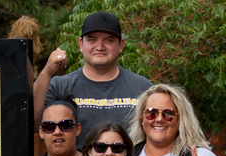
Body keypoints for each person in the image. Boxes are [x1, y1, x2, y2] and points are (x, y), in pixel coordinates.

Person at [35, 11, 153, 143]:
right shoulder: (59, 86)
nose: (100, 47)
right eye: (92, 40)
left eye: (109, 40)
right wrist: (46, 72)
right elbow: (32, 122)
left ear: (121, 45)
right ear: (81, 44)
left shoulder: (144, 88)